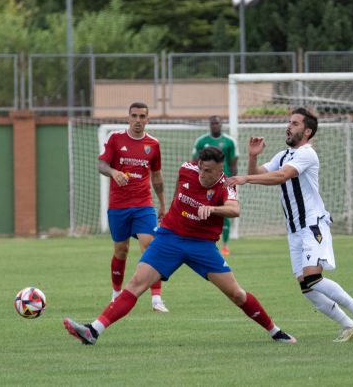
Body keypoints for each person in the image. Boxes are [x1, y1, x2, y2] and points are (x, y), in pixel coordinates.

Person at [63, 146, 296, 345]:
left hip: (202, 246)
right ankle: (93, 331)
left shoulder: (227, 185)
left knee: (236, 294)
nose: (203, 174)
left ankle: (276, 332)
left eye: (209, 171)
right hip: (169, 238)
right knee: (136, 283)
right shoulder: (187, 169)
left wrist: (213, 209)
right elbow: (179, 190)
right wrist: (169, 210)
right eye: (201, 168)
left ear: (219, 169)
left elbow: (235, 209)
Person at [226, 107, 353, 343]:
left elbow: (281, 176)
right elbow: (260, 173)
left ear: (307, 131)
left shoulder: (307, 154)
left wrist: (245, 179)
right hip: (294, 230)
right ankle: (349, 325)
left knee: (313, 277)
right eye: (289, 122)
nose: (289, 126)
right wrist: (253, 156)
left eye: (294, 123)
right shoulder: (284, 155)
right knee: (307, 287)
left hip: (312, 224)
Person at [98, 101, 168, 312]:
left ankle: (156, 299)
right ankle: (116, 294)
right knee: (121, 251)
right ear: (128, 117)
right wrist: (113, 172)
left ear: (147, 119)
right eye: (134, 116)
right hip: (118, 205)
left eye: (142, 116)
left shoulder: (153, 144)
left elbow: (156, 175)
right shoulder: (115, 139)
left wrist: (163, 204)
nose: (138, 120)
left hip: (143, 204)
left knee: (151, 245)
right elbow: (101, 165)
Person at [192, 115, 239, 257]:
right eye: (212, 123)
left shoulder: (229, 141)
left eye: (217, 123)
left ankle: (224, 246)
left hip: (224, 184)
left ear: (221, 125)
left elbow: (233, 164)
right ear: (209, 125)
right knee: (201, 211)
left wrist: (233, 182)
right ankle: (201, 242)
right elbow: (195, 163)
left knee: (225, 213)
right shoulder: (201, 141)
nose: (215, 126)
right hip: (205, 183)